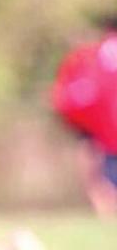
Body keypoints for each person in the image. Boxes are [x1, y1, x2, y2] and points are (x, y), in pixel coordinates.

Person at [52, 28, 117, 218]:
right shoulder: (86, 59)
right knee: (100, 173)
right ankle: (104, 208)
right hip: (98, 131)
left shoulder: (91, 58)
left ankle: (105, 208)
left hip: (102, 131)